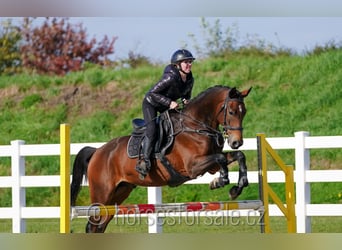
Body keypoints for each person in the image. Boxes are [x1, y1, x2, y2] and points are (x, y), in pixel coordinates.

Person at [136, 49, 195, 179]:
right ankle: (144, 162)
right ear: (177, 65)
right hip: (151, 103)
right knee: (152, 130)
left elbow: (186, 96)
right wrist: (169, 103)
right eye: (186, 62)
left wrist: (186, 100)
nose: (189, 65)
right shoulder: (170, 77)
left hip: (167, 105)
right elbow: (151, 93)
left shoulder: (190, 79)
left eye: (190, 62)